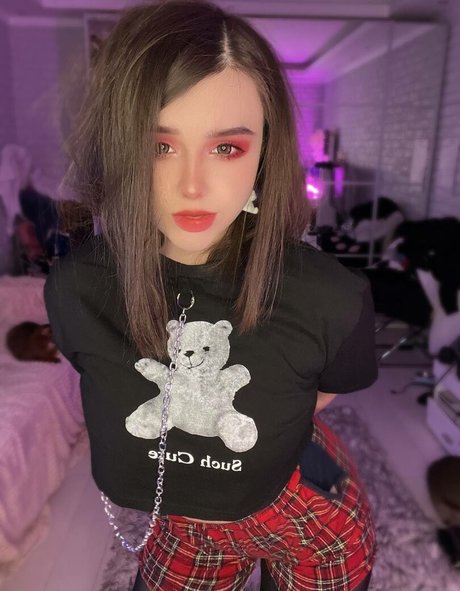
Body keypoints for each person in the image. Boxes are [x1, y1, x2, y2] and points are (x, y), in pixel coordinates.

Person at [44, 1, 379, 589]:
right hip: (184, 527)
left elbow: (318, 395)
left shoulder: (332, 297)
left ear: (264, 151)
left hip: (307, 511)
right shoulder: (77, 289)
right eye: (159, 145)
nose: (192, 186)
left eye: (226, 148)